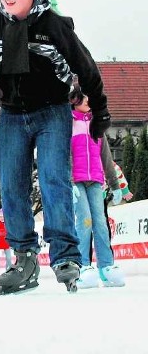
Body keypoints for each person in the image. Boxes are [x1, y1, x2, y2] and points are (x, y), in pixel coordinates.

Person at [0, 0, 110, 295]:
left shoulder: (53, 26)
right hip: (12, 115)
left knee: (53, 178)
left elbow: (87, 70)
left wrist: (100, 114)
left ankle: (66, 256)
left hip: (52, 111)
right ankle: (24, 256)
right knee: (12, 184)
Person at [70, 85, 125, 289]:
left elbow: (106, 157)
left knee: (100, 223)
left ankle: (106, 267)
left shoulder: (96, 125)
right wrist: (68, 181)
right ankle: (83, 266)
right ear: (74, 99)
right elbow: (63, 154)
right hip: (76, 181)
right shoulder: (68, 123)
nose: (87, 101)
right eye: (83, 97)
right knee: (84, 222)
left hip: (95, 181)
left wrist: (115, 184)